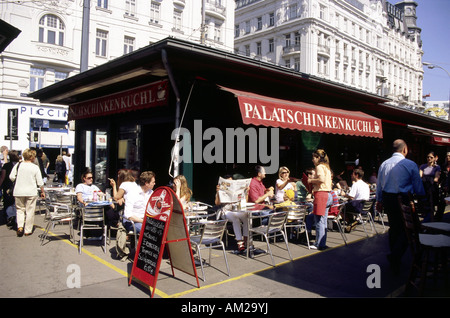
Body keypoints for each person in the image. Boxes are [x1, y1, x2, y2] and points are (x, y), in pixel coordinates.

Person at [376, 139, 425, 274]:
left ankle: (395, 257)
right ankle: (396, 255)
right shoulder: (410, 164)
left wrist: (379, 201)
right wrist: (422, 197)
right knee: (408, 229)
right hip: (403, 199)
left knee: (394, 228)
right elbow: (418, 187)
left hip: (388, 198)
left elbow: (379, 185)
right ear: (405, 149)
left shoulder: (384, 164)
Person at [9, 148, 45, 237]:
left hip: (18, 191)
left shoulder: (18, 165)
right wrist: (42, 191)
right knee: (30, 211)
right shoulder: (35, 167)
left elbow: (11, 177)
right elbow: (40, 182)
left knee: (20, 210)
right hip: (31, 192)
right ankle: (27, 230)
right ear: (32, 157)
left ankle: (20, 227)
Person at [306, 149, 333, 250]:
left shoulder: (319, 167)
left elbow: (321, 179)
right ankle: (322, 242)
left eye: (313, 157)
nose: (312, 160)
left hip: (321, 194)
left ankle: (319, 244)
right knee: (323, 221)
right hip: (328, 194)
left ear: (318, 157)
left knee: (319, 221)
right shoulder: (327, 167)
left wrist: (310, 180)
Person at [215, 175, 249, 252]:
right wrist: (217, 192)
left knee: (246, 216)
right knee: (235, 219)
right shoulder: (221, 190)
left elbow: (245, 202)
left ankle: (246, 239)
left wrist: (246, 192)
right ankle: (240, 242)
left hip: (236, 210)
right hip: (225, 212)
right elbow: (217, 203)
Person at [342, 168, 370, 232]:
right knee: (348, 206)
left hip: (358, 207)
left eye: (352, 174)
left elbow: (351, 196)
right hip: (365, 207)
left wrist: (344, 194)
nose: (351, 175)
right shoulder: (366, 185)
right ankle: (352, 222)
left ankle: (351, 222)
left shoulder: (356, 184)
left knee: (342, 208)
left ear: (356, 175)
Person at [0, 150, 20, 229]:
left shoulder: (6, 165)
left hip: (8, 185)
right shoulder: (19, 165)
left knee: (8, 202)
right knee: (16, 202)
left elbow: (3, 176)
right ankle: (15, 216)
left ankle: (10, 217)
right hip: (17, 185)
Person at [419, 151, 441, 221]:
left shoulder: (437, 167)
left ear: (434, 158)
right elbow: (420, 176)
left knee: (431, 202)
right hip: (424, 185)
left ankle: (431, 216)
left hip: (431, 187)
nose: (429, 158)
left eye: (431, 157)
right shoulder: (423, 166)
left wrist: (431, 179)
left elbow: (436, 178)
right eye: (428, 157)